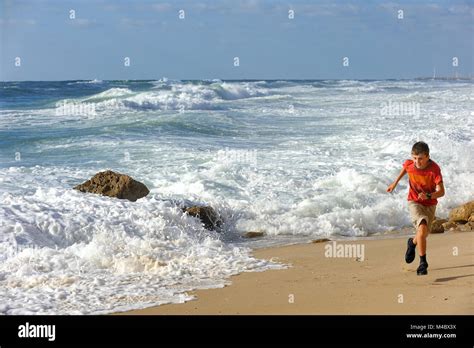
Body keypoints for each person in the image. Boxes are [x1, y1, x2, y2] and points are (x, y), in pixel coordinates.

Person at [386, 141, 445, 275]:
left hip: (430, 203)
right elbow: (405, 168)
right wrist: (394, 183)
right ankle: (423, 263)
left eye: (420, 158)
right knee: (422, 225)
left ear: (427, 157)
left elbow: (441, 192)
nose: (417, 162)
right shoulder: (410, 164)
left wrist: (429, 195)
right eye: (414, 158)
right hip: (414, 201)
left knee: (423, 234)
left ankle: (412, 243)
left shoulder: (434, 169)